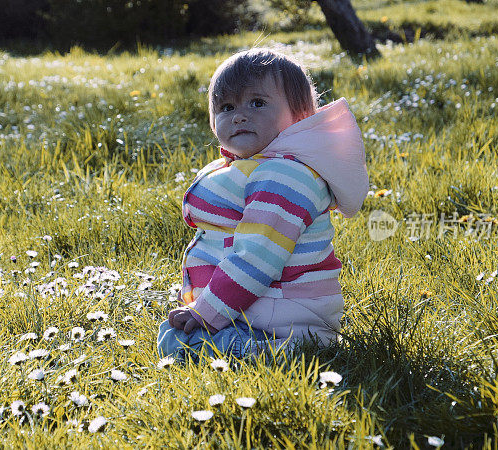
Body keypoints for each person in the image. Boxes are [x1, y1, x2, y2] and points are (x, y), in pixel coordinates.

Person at [157, 48, 369, 361]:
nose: (239, 115)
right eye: (226, 107)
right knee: (177, 336)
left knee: (177, 342)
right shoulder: (253, 167)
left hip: (284, 323)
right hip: (257, 311)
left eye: (257, 103)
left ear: (299, 116)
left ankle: (285, 354)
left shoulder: (285, 176)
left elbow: (257, 258)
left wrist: (207, 313)